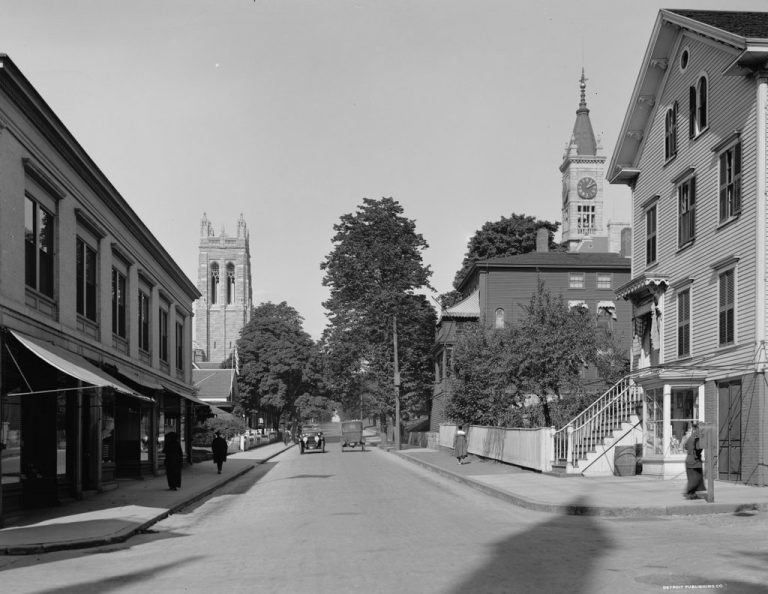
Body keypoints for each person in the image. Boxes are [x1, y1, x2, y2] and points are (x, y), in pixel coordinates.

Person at [683, 422, 705, 499]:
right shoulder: (696, 438)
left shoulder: (691, 437)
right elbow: (698, 447)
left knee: (696, 478)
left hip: (691, 461)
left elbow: (685, 446)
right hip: (693, 461)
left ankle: (692, 494)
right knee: (695, 479)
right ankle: (689, 493)